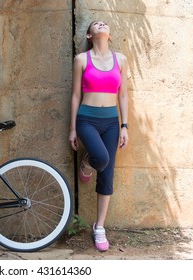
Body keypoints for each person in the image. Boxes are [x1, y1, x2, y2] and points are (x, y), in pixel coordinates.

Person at [69, 20, 129, 252]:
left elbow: (123, 95)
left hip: (111, 122)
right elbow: (75, 95)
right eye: (96, 24)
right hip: (87, 119)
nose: (102, 24)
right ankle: (86, 162)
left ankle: (99, 227)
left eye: (104, 23)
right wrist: (72, 128)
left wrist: (125, 125)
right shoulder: (81, 60)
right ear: (89, 34)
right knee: (100, 160)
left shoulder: (121, 59)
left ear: (110, 35)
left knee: (107, 173)